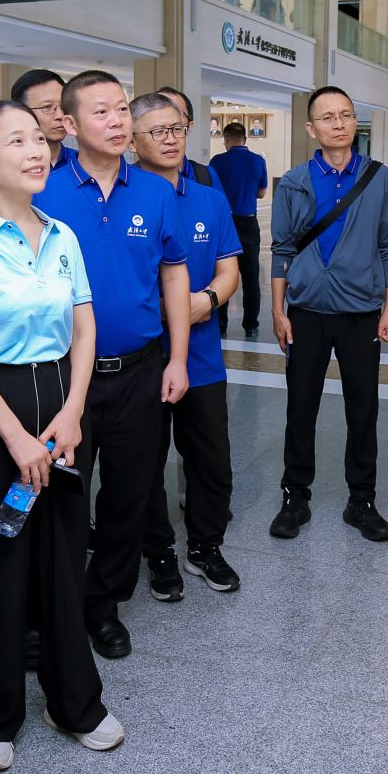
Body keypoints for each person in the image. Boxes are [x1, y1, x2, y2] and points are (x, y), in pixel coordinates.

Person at [0, 99, 122, 772]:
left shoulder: (62, 234)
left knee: (64, 560)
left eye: (40, 139)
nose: (37, 151)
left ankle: (75, 701)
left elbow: (85, 328)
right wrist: (15, 436)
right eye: (16, 141)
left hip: (62, 404)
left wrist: (74, 411)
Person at [32, 70, 189, 659]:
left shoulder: (154, 191)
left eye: (122, 109)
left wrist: (177, 358)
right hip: (61, 376)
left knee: (129, 494)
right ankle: (51, 607)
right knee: (61, 495)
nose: (118, 121)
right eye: (101, 112)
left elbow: (173, 274)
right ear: (69, 125)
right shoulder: (42, 190)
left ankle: (103, 603)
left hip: (140, 371)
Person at [269, 85, 388, 543]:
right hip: (306, 311)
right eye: (328, 117)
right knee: (300, 406)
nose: (339, 123)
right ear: (312, 129)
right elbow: (282, 249)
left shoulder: (378, 179)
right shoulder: (294, 182)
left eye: (346, 115)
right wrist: (278, 310)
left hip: (361, 311)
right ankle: (295, 496)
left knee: (363, 408)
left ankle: (361, 500)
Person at [130, 93, 243, 600]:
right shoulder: (122, 196)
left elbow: (229, 269)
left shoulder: (208, 199)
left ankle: (205, 547)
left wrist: (207, 300)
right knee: (144, 463)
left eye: (177, 128)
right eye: (157, 131)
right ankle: (158, 552)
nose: (171, 139)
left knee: (211, 460)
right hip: (141, 357)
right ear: (133, 140)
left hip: (201, 357)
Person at [208, 120, 268, 337]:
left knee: (222, 274)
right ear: (245, 138)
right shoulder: (258, 161)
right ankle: (251, 325)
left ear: (226, 139)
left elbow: (211, 192)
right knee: (251, 277)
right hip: (249, 224)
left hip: (225, 223)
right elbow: (261, 192)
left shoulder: (217, 161)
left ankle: (221, 325)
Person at [10, 68, 73, 172]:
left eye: (63, 106)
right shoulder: (10, 168)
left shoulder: (82, 164)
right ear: (22, 112)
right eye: (47, 107)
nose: (60, 115)